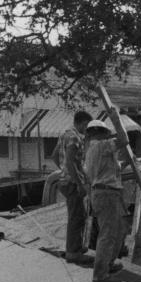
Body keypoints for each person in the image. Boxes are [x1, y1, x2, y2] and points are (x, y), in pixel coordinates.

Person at [82, 119, 128, 282]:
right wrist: (116, 118)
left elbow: (111, 169)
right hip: (106, 193)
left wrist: (127, 162)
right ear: (102, 133)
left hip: (104, 192)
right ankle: (100, 273)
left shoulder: (93, 150)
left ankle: (107, 264)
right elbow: (124, 140)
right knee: (108, 234)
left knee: (118, 230)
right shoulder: (102, 145)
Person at [55, 110, 94, 265]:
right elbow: (70, 162)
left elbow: (54, 155)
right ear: (84, 123)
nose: (87, 129)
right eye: (87, 126)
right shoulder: (74, 138)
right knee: (76, 217)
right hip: (72, 183)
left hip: (65, 180)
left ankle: (75, 247)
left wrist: (64, 171)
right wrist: (79, 183)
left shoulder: (65, 134)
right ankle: (73, 252)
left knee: (79, 215)